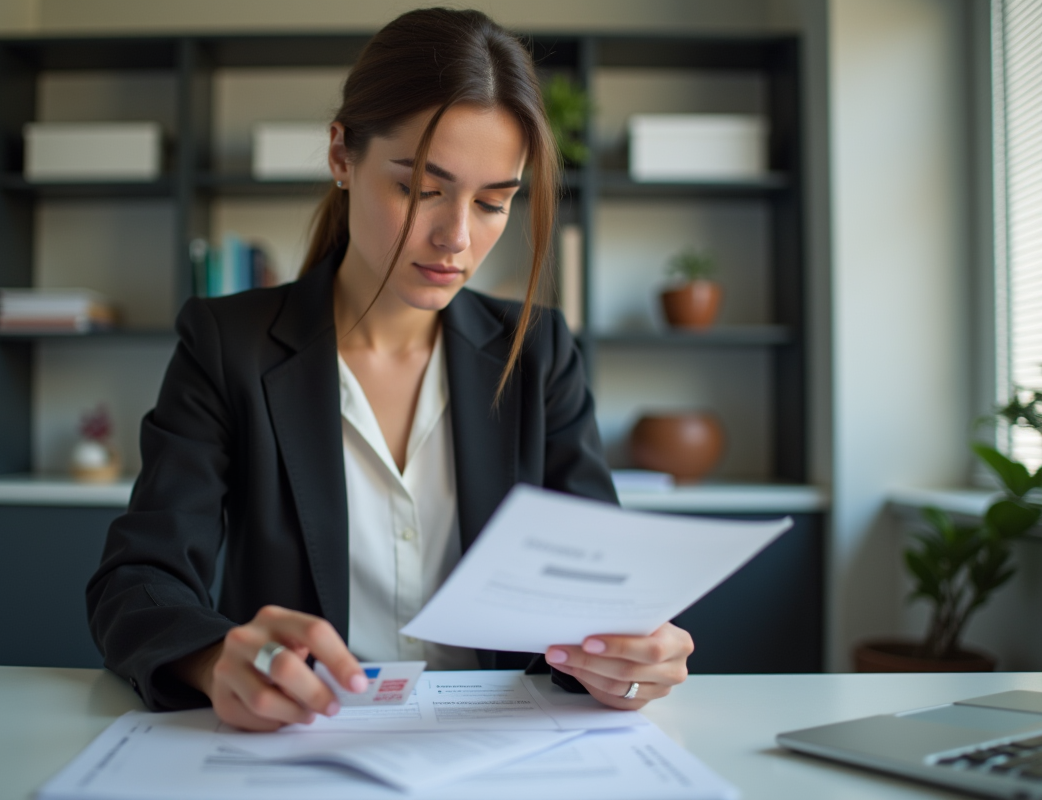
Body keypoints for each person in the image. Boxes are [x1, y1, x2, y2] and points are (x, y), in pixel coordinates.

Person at [87, 7, 693, 733]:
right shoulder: (228, 346)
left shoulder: (539, 353)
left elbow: (599, 595)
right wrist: (218, 659)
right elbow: (138, 581)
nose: (457, 239)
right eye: (419, 189)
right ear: (342, 155)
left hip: (502, 753)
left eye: (495, 202)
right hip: (302, 749)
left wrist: (628, 661)